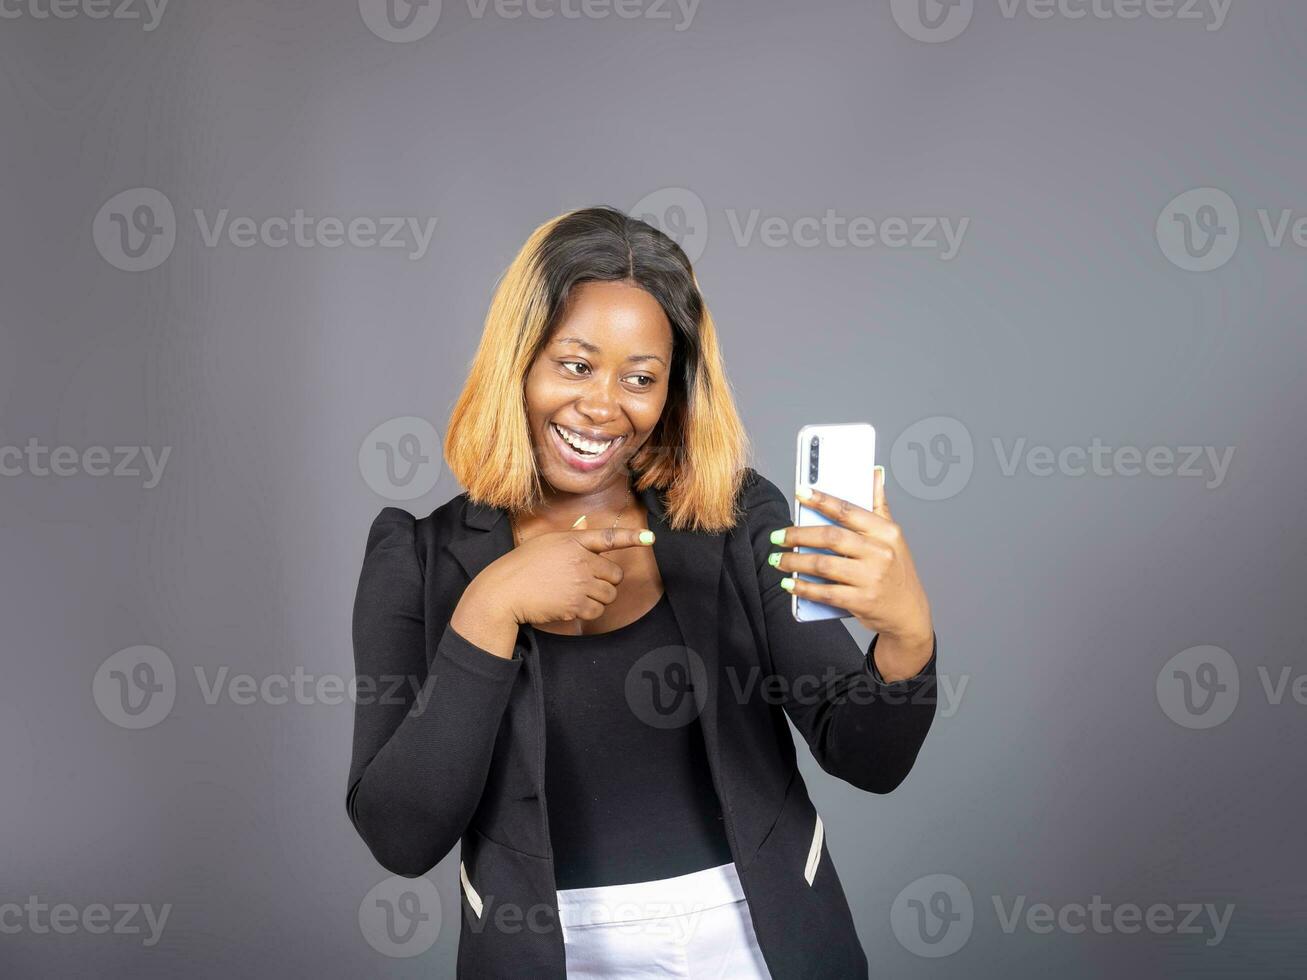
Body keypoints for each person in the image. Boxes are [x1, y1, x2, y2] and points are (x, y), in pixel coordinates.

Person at [347, 206, 939, 978]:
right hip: (548, 954)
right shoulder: (419, 560)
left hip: (757, 943)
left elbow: (867, 758)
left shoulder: (733, 519)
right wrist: (488, 609)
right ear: (516, 363)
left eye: (640, 378)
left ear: (672, 391)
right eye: (574, 364)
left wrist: (906, 638)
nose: (603, 405)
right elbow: (400, 837)